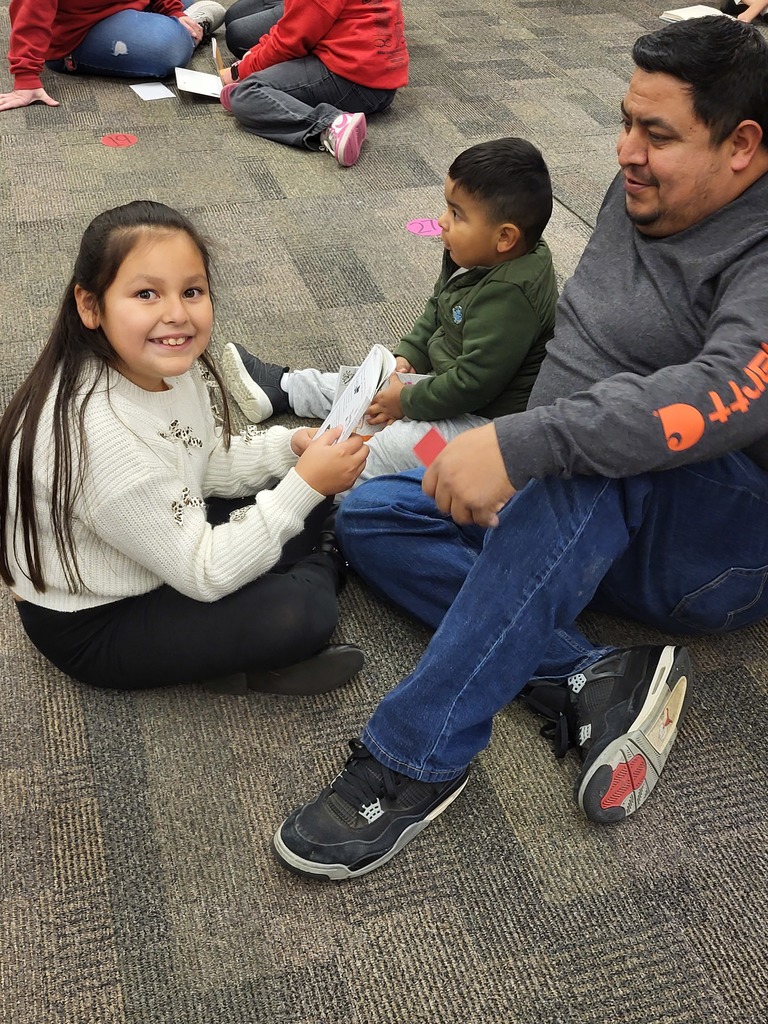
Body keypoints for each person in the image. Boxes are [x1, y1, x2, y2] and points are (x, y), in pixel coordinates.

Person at [271, 15, 768, 879]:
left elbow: (712, 399)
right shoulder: (645, 189)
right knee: (376, 515)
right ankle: (594, 674)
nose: (625, 151)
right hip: (603, 512)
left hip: (722, 548)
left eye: (657, 134)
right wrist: (512, 462)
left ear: (743, 145)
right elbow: (588, 344)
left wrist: (524, 445)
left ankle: (414, 757)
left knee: (585, 462)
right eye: (624, 121)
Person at [0, 200, 371, 696]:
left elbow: (201, 460)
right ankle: (315, 578)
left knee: (309, 495)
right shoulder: (101, 441)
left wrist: (291, 450)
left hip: (149, 542)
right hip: (96, 619)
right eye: (146, 293)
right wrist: (304, 487)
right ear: (90, 306)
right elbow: (205, 572)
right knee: (303, 610)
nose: (177, 314)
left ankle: (314, 564)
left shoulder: (160, 363)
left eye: (192, 291)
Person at [219, 138, 558, 489]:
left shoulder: (512, 295)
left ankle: (310, 492)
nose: (442, 221)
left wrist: (406, 403)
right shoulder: (479, 255)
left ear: (505, 237)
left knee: (389, 445)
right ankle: (285, 388)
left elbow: (474, 385)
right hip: (444, 389)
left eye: (457, 214)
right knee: (369, 387)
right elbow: (438, 308)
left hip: (478, 427)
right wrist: (409, 354)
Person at [217, 0, 408, 167]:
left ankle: (330, 124)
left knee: (247, 94)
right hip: (381, 77)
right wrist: (253, 58)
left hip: (354, 80)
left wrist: (239, 72)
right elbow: (293, 24)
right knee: (253, 72)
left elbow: (290, 42)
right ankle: (264, 93)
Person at [0, 0, 226, 112]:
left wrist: (172, 10)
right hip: (78, 33)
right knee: (166, 49)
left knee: (180, 18)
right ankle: (191, 28)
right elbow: (30, 16)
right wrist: (25, 76)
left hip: (128, 8)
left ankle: (181, 24)